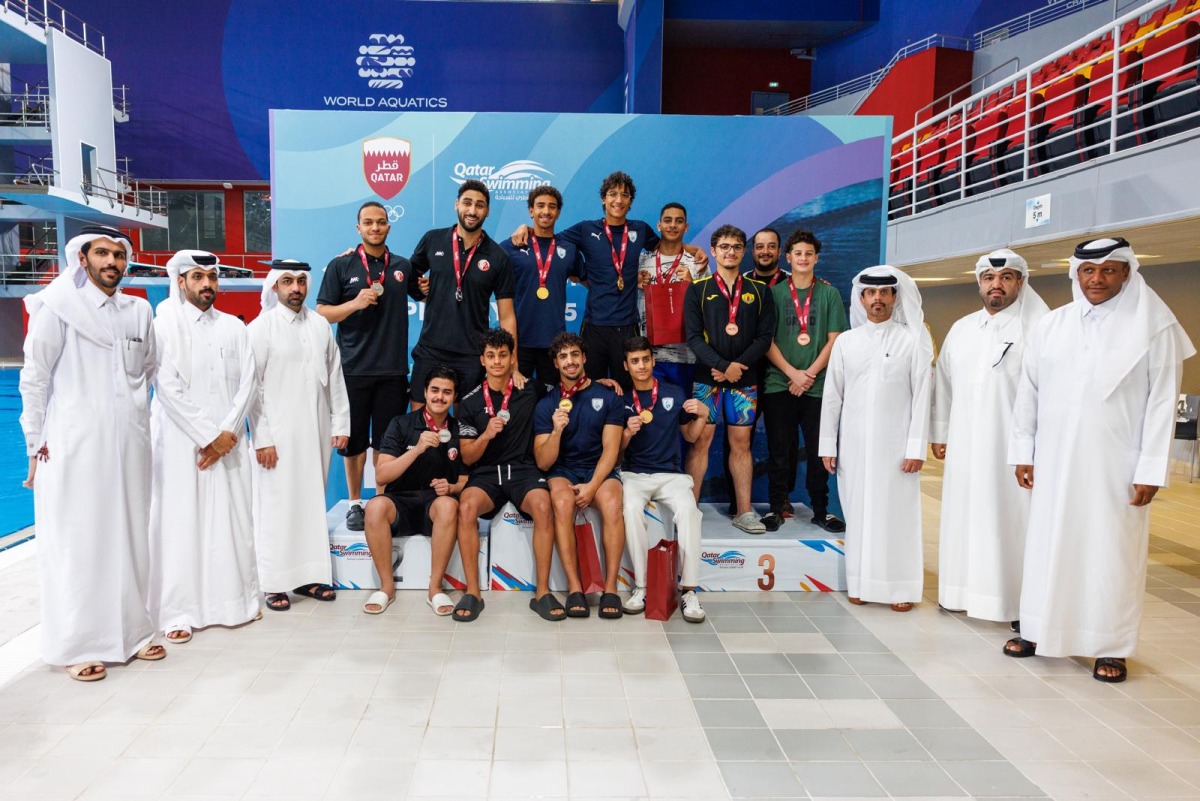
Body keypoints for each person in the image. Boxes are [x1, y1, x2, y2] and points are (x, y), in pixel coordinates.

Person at [1005, 237, 1194, 682]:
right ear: (1076, 274)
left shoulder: (1155, 327)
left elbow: (1162, 403)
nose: (1097, 279)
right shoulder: (1052, 326)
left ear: (1128, 272)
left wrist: (1151, 469)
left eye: (1109, 270)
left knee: (1111, 552)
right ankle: (1037, 628)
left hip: (1116, 465)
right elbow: (1027, 394)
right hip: (1053, 461)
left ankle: (1110, 645)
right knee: (1047, 543)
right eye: (1089, 270)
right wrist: (1022, 451)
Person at [19, 225, 165, 681]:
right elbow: (35, 378)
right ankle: (77, 643)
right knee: (80, 542)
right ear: (82, 258)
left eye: (119, 255)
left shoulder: (138, 310)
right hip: (73, 446)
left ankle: (133, 631)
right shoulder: (57, 308)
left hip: (128, 445)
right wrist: (33, 444)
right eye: (102, 254)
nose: (112, 263)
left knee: (129, 536)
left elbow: (148, 368)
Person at [930, 248, 1048, 625]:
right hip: (965, 445)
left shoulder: (1038, 330)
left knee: (1009, 521)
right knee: (964, 516)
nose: (996, 285)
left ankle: (1013, 604)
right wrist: (940, 431)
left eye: (1006, 278)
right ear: (979, 283)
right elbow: (944, 385)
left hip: (1013, 452)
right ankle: (960, 593)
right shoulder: (962, 328)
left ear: (1021, 282)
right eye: (989, 278)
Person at [149, 250, 260, 644]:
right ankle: (177, 610)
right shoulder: (162, 326)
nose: (207, 284)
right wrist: (209, 436)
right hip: (183, 444)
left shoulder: (234, 327)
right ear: (181, 281)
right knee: (181, 524)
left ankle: (234, 603)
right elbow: (167, 387)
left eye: (211, 277)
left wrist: (227, 432)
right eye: (198, 277)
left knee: (231, 523)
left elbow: (248, 383)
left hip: (229, 444)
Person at [512, 171, 706, 387]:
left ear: (630, 201)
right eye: (613, 194)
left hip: (627, 326)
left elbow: (665, 245)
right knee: (589, 388)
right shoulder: (586, 229)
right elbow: (549, 238)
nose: (618, 199)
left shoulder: (639, 229)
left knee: (626, 390)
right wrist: (526, 228)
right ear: (604, 198)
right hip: (594, 326)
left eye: (625, 195)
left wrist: (694, 249)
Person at [818, 266, 931, 612]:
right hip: (853, 445)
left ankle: (900, 588)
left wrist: (916, 447)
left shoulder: (912, 340)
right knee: (858, 513)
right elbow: (833, 395)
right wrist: (827, 444)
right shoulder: (847, 342)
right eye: (870, 293)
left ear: (895, 297)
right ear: (861, 298)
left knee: (896, 515)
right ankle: (861, 583)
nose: (877, 299)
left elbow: (923, 396)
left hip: (897, 448)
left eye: (884, 293)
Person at [249, 260, 351, 612]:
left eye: (302, 281)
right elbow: (253, 390)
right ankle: (273, 582)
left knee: (310, 502)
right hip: (276, 435)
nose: (296, 288)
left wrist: (340, 425)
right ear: (275, 286)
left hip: (317, 430)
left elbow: (335, 377)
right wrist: (261, 437)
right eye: (288, 281)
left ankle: (309, 576)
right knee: (278, 506)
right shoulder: (261, 328)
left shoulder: (321, 325)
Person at [316, 201, 419, 532]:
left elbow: (425, 291)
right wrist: (355, 303)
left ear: (389, 227)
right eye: (368, 223)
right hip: (354, 368)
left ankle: (381, 500)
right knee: (355, 441)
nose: (375, 227)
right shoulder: (341, 265)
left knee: (386, 442)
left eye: (381, 222)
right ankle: (355, 501)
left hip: (392, 369)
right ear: (358, 228)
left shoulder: (402, 265)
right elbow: (322, 312)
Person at [454, 328, 554, 622]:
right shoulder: (471, 401)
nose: (497, 361)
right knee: (467, 506)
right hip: (486, 474)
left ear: (513, 358)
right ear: (482, 361)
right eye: (491, 356)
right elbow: (468, 455)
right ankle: (473, 592)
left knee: (543, 505)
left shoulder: (532, 389)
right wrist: (485, 435)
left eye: (503, 355)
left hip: (524, 471)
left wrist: (604, 382)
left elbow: (568, 389)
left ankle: (543, 592)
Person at [683, 224, 776, 534]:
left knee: (741, 443)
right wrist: (722, 365)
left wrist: (736, 367)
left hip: (743, 380)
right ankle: (689, 511)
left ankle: (745, 511)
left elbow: (765, 338)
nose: (731, 252)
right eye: (724, 246)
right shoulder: (698, 289)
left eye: (737, 246)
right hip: (705, 379)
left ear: (743, 251)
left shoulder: (759, 292)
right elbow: (693, 338)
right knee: (701, 442)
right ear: (713, 251)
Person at [533, 332, 628, 620]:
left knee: (611, 503)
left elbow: (612, 450)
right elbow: (544, 461)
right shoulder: (546, 405)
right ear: (556, 363)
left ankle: (610, 587)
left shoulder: (608, 397)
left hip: (599, 468)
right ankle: (576, 588)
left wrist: (592, 486)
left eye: (575, 354)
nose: (570, 361)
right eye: (563, 356)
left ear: (584, 358)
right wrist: (557, 431)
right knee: (562, 504)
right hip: (563, 470)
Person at [361, 367, 467, 616]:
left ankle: (435, 588)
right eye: (435, 391)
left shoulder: (461, 429)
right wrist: (416, 449)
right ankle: (387, 587)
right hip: (400, 503)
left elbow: (467, 480)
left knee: (449, 504)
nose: (440, 397)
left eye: (447, 392)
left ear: (454, 397)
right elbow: (381, 475)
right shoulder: (401, 423)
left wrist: (452, 488)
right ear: (425, 392)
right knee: (375, 506)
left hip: (435, 506)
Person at [761, 230, 848, 532]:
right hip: (779, 384)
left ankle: (821, 510)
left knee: (816, 450)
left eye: (808, 254)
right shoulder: (773, 294)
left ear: (816, 258)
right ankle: (775, 507)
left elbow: (835, 339)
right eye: (797, 253)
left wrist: (808, 375)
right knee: (779, 449)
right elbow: (766, 340)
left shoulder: (829, 294)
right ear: (788, 258)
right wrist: (792, 373)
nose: (803, 258)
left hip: (818, 385)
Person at [618, 337, 709, 622]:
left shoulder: (674, 392)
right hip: (634, 474)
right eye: (635, 361)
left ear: (653, 361)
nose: (641, 365)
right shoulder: (620, 402)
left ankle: (690, 590)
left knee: (690, 513)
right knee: (631, 509)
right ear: (626, 366)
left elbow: (690, 436)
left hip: (671, 475)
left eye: (645, 359)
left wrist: (704, 416)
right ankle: (642, 587)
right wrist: (626, 434)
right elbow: (614, 450)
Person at [410, 179, 519, 405]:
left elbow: (507, 315)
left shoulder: (499, 257)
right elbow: (407, 277)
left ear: (487, 211)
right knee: (417, 416)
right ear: (456, 205)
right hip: (431, 347)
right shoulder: (433, 240)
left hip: (471, 353)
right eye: (467, 203)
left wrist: (513, 361)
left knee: (467, 424)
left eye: (479, 205)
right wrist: (420, 293)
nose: (472, 210)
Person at [499, 185, 581, 396]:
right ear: (531, 211)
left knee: (554, 403)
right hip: (520, 341)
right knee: (517, 402)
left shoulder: (569, 249)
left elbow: (591, 279)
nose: (546, 211)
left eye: (552, 207)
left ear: (559, 212)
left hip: (555, 343)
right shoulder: (512, 246)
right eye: (540, 206)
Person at [636, 202, 705, 389]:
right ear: (659, 225)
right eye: (667, 220)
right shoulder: (641, 261)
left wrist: (692, 286)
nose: (673, 225)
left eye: (679, 221)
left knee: (685, 414)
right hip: (648, 358)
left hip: (685, 357)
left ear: (686, 226)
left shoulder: (697, 264)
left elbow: (709, 308)